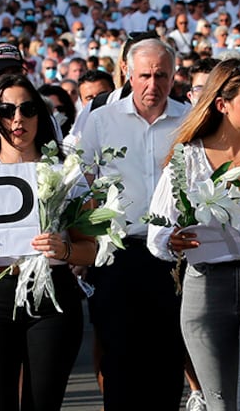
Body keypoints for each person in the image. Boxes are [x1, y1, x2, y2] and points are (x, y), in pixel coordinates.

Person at [146, 58, 240, 411]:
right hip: (205, 289)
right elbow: (157, 231)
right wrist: (171, 241)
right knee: (220, 404)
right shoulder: (186, 159)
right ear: (222, 105)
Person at [0, 74, 96, 410]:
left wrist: (67, 250)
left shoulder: (67, 175)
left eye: (28, 109)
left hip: (53, 297)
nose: (17, 119)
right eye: (6, 109)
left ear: (39, 117)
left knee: (42, 404)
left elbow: (92, 248)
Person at [79, 38, 189, 410]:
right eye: (144, 76)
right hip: (117, 257)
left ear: (174, 75)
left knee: (169, 359)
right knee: (119, 359)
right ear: (126, 72)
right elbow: (81, 182)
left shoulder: (189, 119)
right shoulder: (100, 120)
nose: (152, 86)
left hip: (172, 260)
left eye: (161, 76)